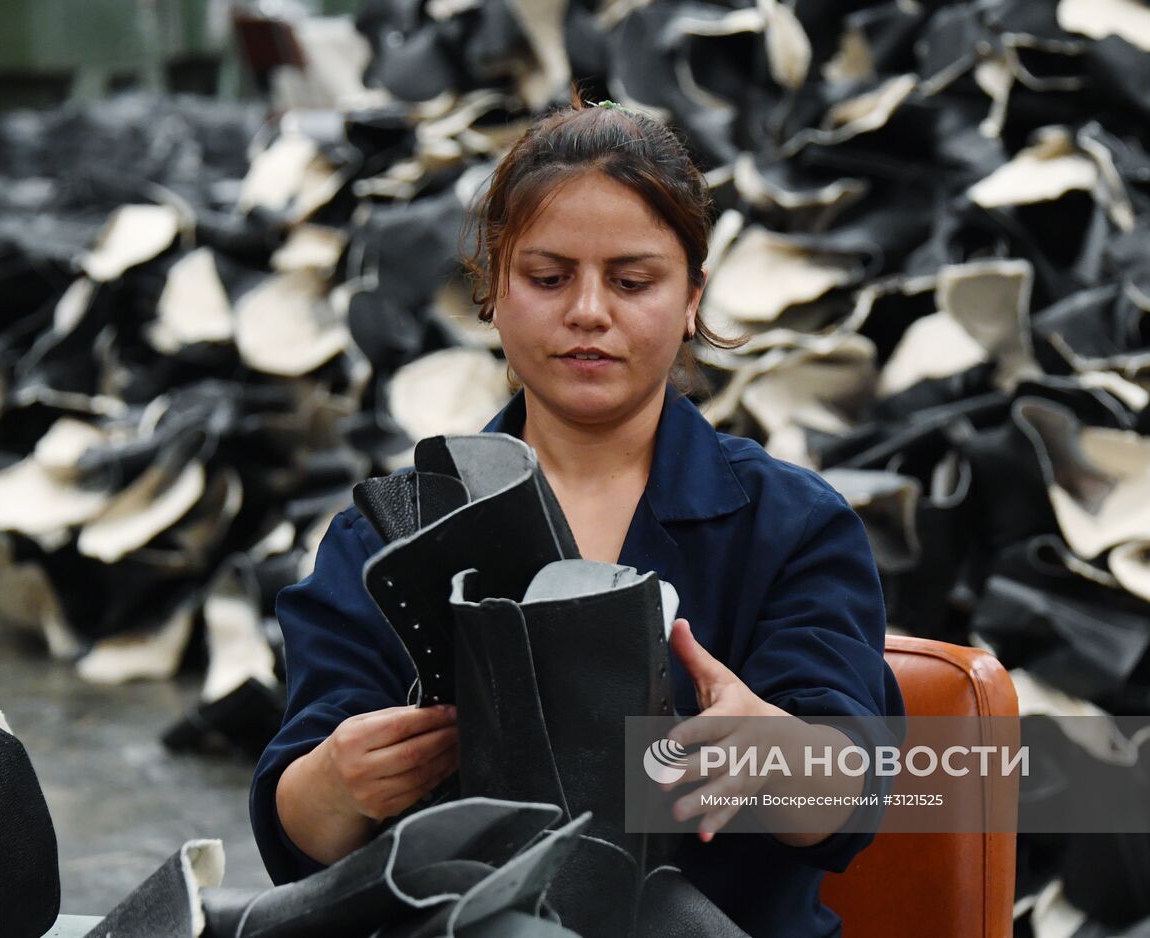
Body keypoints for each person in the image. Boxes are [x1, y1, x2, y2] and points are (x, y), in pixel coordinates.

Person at [251, 93, 904, 938]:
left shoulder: (791, 527)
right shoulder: (389, 534)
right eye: (548, 277)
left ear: (693, 297)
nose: (589, 312)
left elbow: (851, 798)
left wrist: (774, 749)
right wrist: (339, 782)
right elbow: (298, 835)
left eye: (633, 281)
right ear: (492, 287)